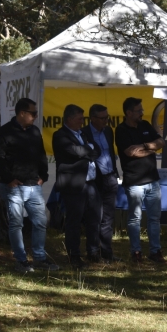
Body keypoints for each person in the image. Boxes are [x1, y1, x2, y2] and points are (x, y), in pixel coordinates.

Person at [0, 98, 59, 273]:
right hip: (14, 186)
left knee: (40, 221)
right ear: (22, 113)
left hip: (33, 185)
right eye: (33, 113)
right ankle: (21, 260)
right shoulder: (4, 132)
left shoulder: (35, 131)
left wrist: (43, 176)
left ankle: (39, 258)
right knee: (16, 223)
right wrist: (8, 179)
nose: (36, 117)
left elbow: (41, 155)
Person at [114, 97, 166, 264]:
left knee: (154, 218)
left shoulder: (145, 125)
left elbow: (161, 141)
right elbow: (130, 152)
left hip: (153, 180)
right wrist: (151, 148)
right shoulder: (121, 130)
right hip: (134, 182)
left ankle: (155, 251)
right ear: (128, 113)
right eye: (138, 111)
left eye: (142, 110)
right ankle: (136, 251)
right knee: (135, 218)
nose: (142, 113)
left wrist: (144, 146)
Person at [52, 104, 102, 268]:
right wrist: (87, 150)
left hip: (90, 183)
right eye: (79, 118)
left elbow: (97, 150)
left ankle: (93, 251)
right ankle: (74, 255)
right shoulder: (60, 135)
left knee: (94, 218)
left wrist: (86, 150)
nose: (82, 122)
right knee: (74, 222)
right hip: (73, 185)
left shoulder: (84, 135)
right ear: (69, 119)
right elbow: (75, 152)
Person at [82, 104, 121, 263]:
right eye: (103, 118)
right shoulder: (84, 133)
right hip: (94, 180)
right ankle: (93, 252)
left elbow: (110, 152)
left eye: (107, 117)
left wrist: (114, 174)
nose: (106, 121)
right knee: (94, 217)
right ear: (92, 118)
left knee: (108, 218)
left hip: (110, 178)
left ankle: (107, 252)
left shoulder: (108, 131)